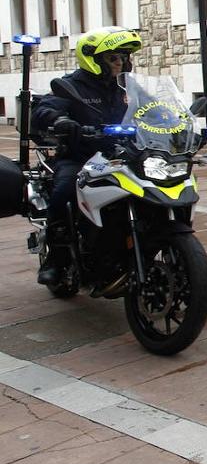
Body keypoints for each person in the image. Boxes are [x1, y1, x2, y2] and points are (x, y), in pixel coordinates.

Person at [31, 27, 142, 286]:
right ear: (94, 59)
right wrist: (59, 120)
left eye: (124, 57)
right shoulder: (70, 85)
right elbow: (44, 109)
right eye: (114, 57)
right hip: (81, 156)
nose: (120, 63)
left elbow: (153, 108)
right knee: (64, 190)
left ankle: (181, 263)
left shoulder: (126, 87)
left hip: (121, 155)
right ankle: (56, 260)